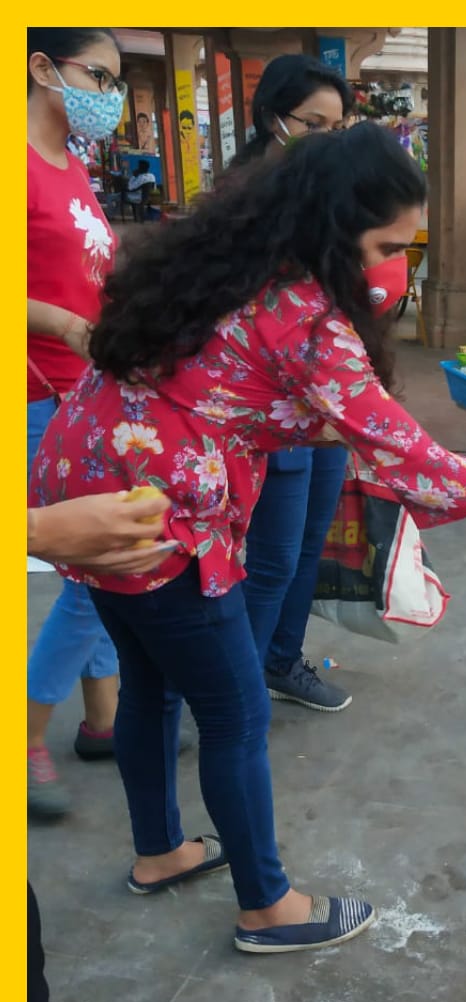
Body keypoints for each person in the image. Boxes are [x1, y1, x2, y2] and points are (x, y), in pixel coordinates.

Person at [29, 123, 466, 954]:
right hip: (157, 517)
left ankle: (161, 851)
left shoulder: (218, 262)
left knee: (149, 684)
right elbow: (418, 460)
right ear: (338, 227)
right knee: (234, 711)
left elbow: (224, 392)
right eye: (387, 244)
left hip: (86, 478)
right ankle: (267, 907)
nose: (394, 265)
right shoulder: (301, 318)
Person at [229, 54, 357, 711]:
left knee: (308, 545)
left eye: (341, 126)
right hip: (270, 405)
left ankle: (280, 661)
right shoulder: (245, 201)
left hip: (323, 400)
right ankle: (237, 691)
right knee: (273, 557)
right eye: (316, 123)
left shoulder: (328, 199)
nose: (330, 139)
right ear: (274, 119)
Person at [28, 492, 175, 1002]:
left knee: (95, 585)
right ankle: (25, 735)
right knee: (88, 587)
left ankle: (101, 718)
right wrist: (38, 527)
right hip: (44, 407)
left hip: (81, 406)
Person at [26, 27, 128, 817]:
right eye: (98, 75)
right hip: (34, 394)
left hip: (83, 392)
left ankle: (103, 723)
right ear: (40, 67)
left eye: (116, 81)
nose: (109, 96)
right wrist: (61, 325)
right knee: (94, 568)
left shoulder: (73, 166)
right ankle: (22, 733)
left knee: (101, 564)